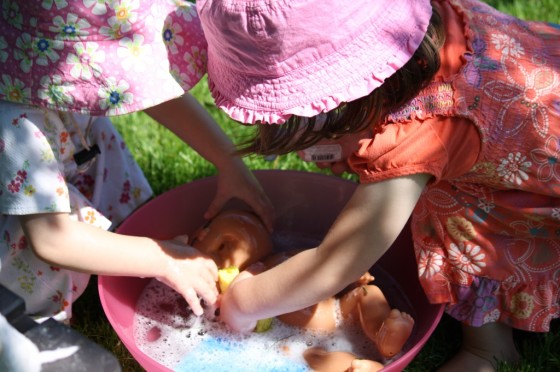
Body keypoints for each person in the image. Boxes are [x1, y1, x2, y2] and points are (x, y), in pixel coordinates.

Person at [196, 0, 560, 370]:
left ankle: (489, 350)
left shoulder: (423, 135)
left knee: (446, 204)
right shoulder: (426, 30)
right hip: (537, 102)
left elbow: (336, 263)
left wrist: (245, 302)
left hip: (546, 191)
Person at [0, 0, 274, 325]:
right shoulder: (15, 127)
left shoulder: (50, 76)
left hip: (71, 158)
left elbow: (154, 93)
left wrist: (230, 165)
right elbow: (51, 238)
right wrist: (161, 259)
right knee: (28, 304)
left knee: (121, 221)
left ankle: (118, 247)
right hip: (27, 238)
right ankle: (32, 320)